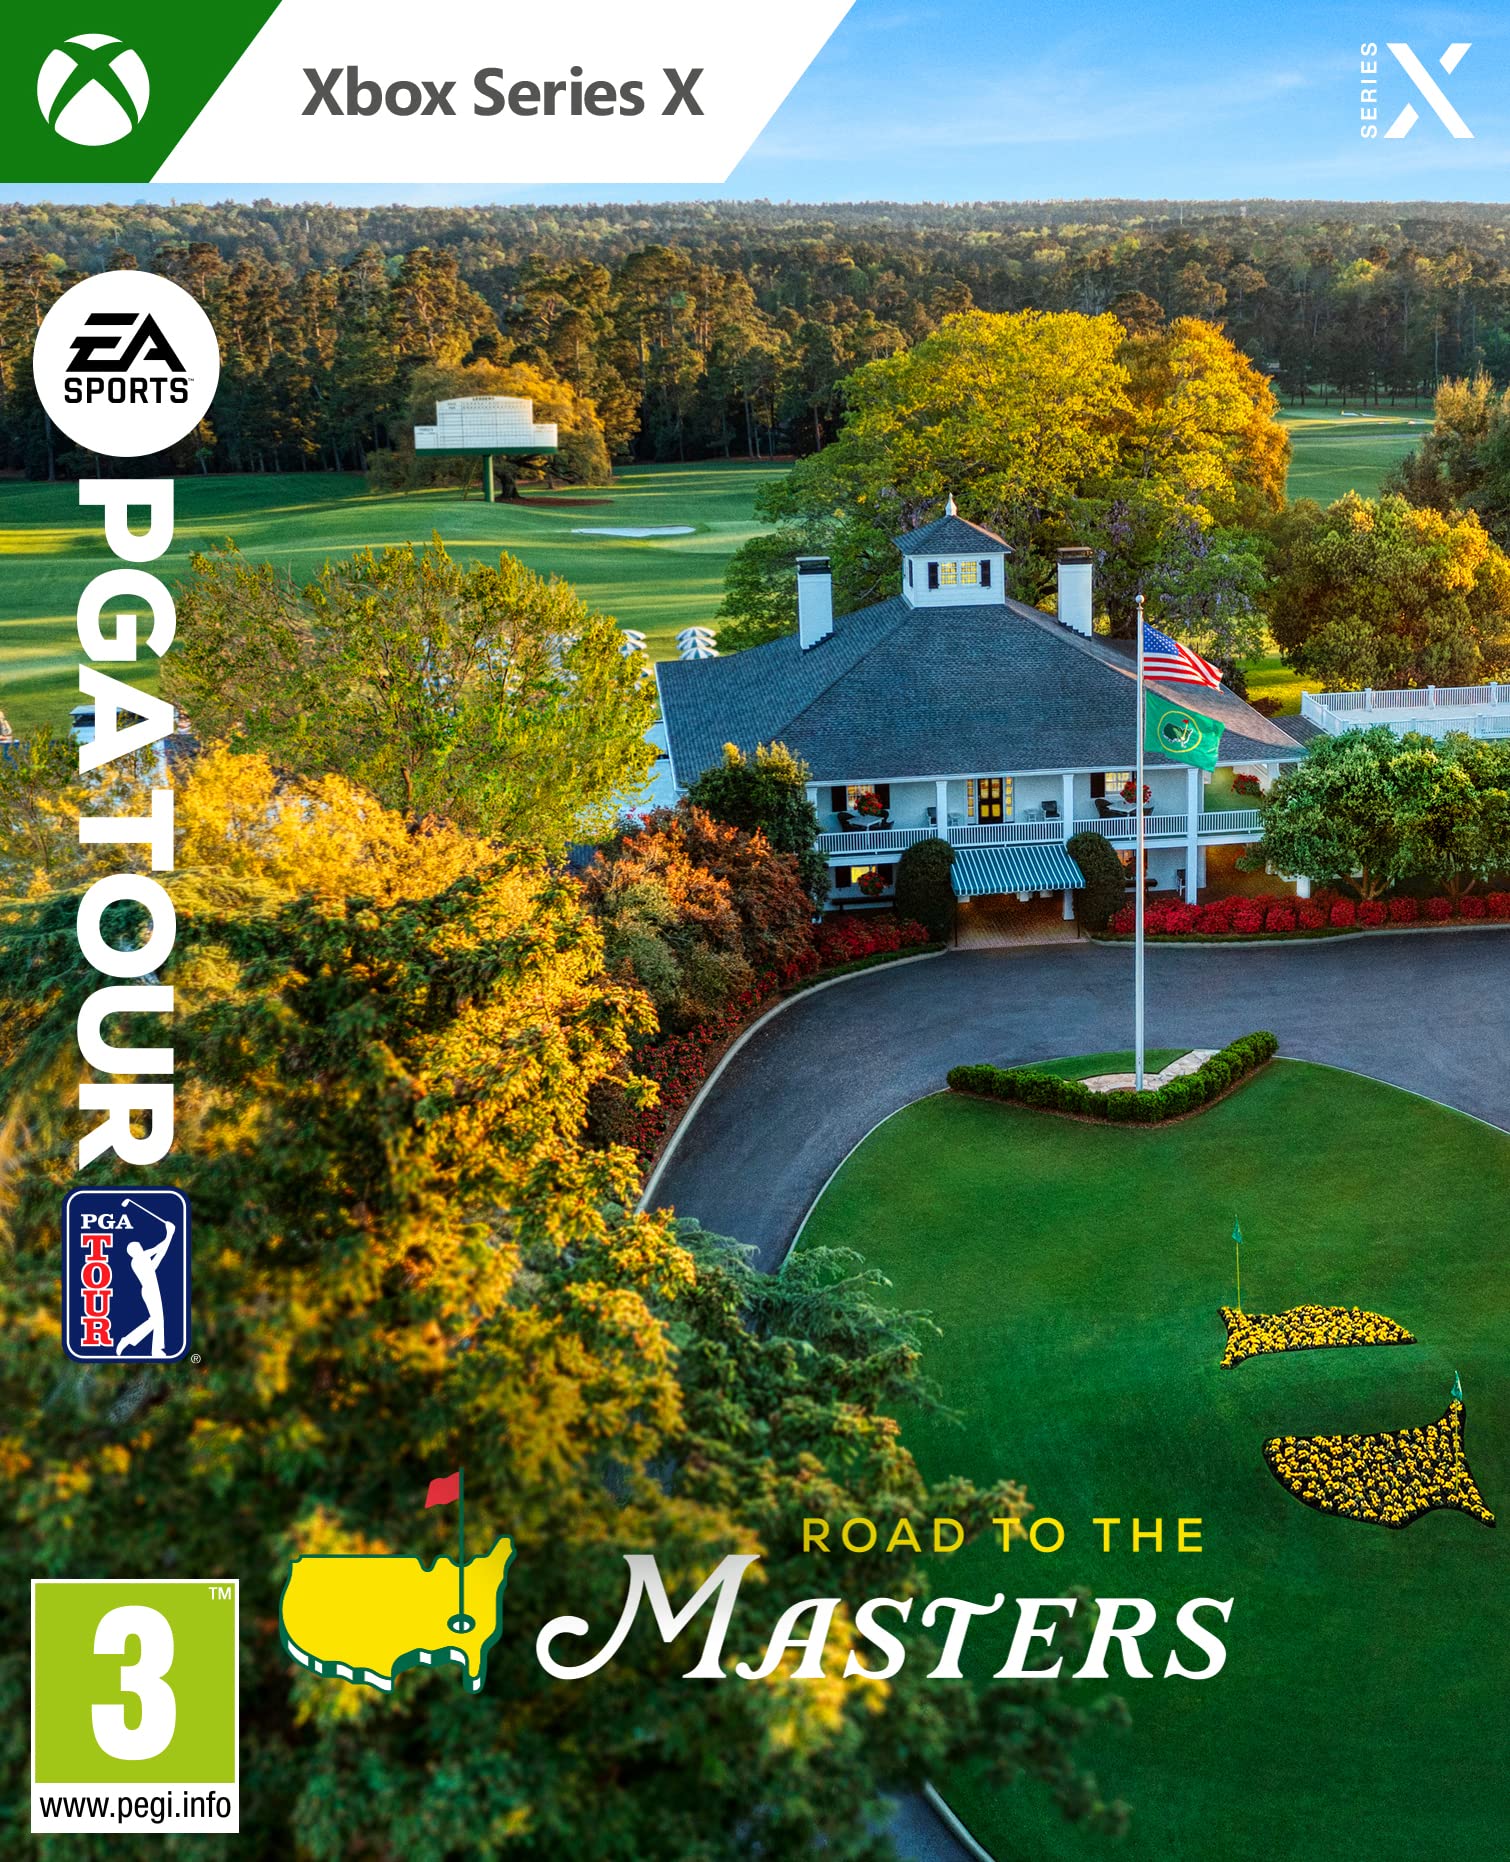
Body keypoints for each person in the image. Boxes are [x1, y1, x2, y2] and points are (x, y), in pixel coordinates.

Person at [115, 1234, 174, 1358]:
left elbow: (160, 1254)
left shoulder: (145, 1262)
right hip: (149, 1290)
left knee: (156, 1320)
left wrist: (170, 1236)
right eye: (137, 1247)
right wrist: (169, 1234)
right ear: (133, 1252)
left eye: (140, 1246)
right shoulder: (136, 1261)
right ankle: (151, 1348)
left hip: (153, 1290)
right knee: (157, 1320)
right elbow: (157, 1248)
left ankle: (149, 1347)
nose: (140, 1248)